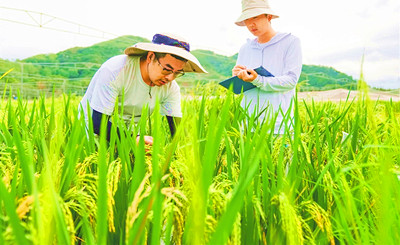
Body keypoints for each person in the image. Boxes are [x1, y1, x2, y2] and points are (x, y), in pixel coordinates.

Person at [79, 33, 207, 145]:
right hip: (93, 134)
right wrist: (132, 139)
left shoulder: (171, 88)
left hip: (130, 134)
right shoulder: (116, 71)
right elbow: (97, 122)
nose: (170, 77)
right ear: (150, 57)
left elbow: (176, 127)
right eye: (167, 69)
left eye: (177, 73)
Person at [232, 0, 302, 134]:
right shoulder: (245, 48)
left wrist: (257, 79)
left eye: (255, 17)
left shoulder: (290, 42)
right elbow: (240, 89)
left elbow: (291, 81)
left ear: (268, 17)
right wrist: (237, 77)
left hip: (278, 127)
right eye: (246, 19)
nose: (251, 24)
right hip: (248, 125)